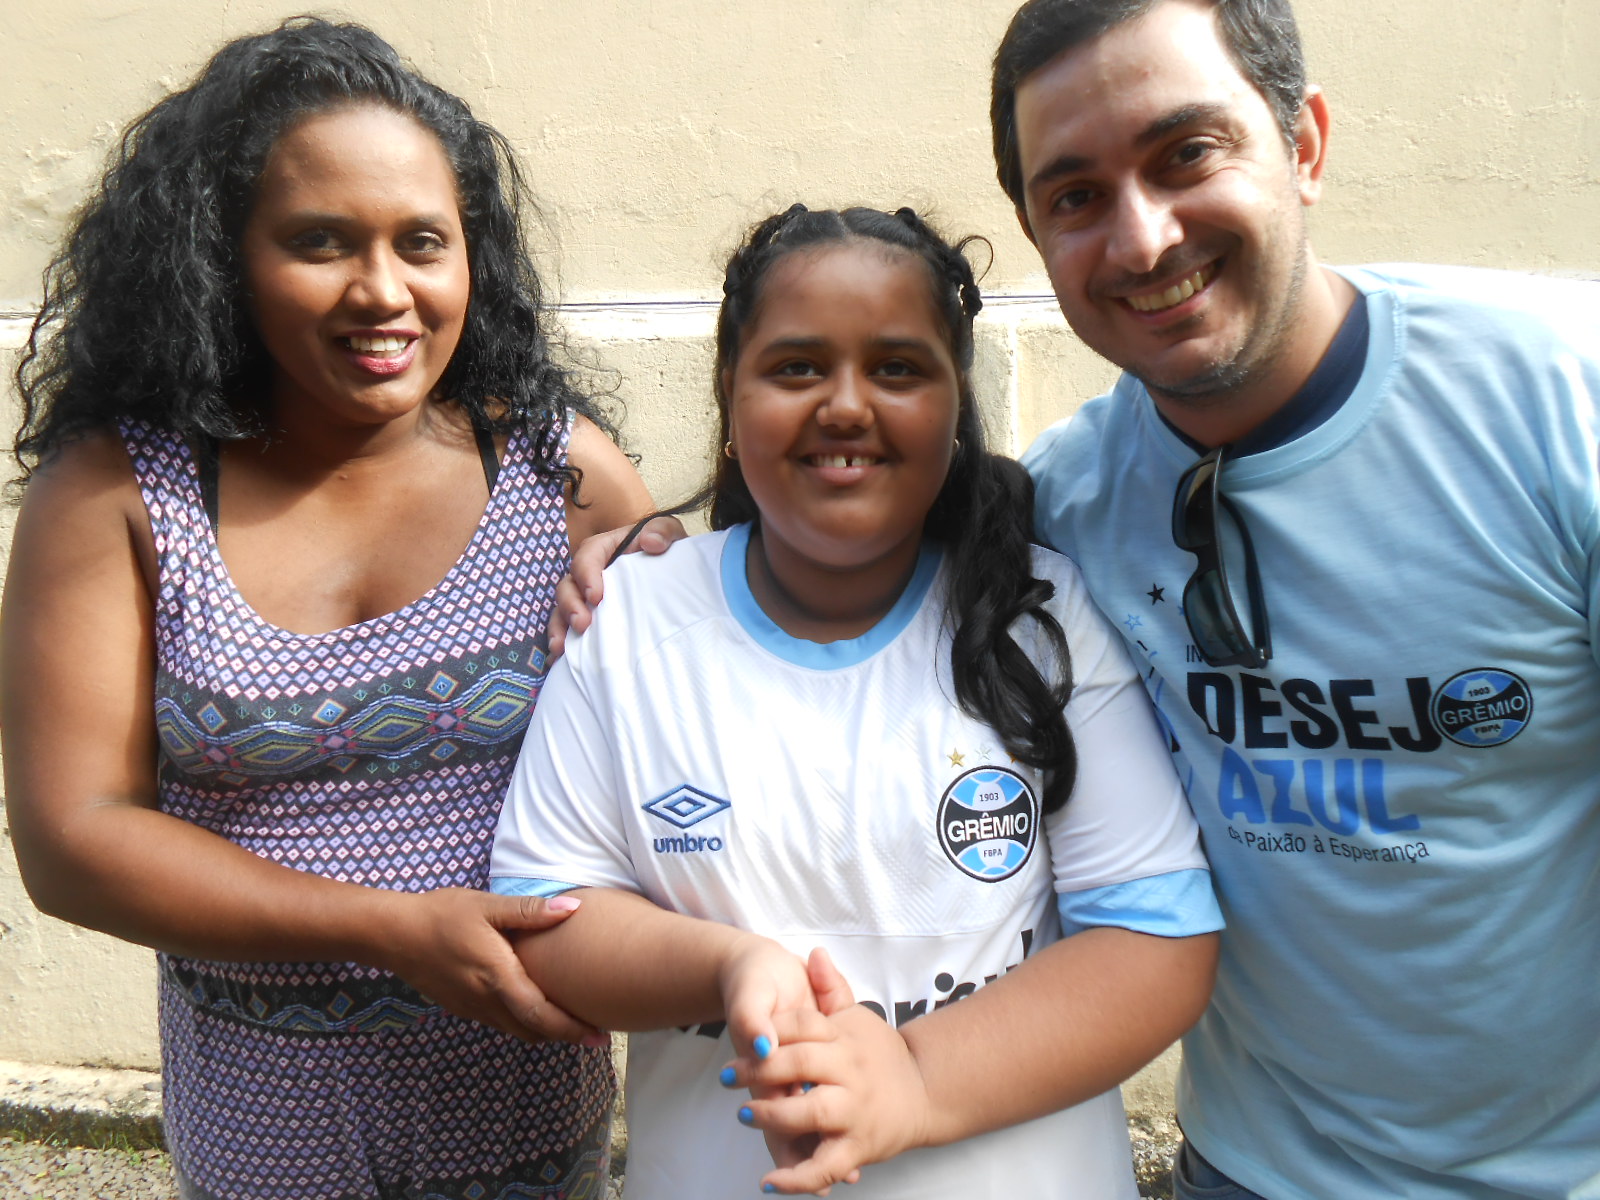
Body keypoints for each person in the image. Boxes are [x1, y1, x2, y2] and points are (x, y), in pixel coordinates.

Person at [559, 2, 1600, 1197]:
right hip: (1251, 1165)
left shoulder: (1559, 416)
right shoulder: (1063, 513)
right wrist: (647, 557)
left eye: (1186, 155)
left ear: (1304, 143)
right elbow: (841, 538)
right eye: (1076, 195)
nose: (1144, 238)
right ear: (1035, 232)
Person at [1, 18, 653, 1200]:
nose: (384, 292)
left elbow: (692, 739)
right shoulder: (124, 493)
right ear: (222, 258)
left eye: (423, 243)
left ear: (474, 258)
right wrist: (387, 925)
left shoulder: (558, 472)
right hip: (266, 1142)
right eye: (318, 243)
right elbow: (74, 839)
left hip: (527, 1123)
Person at [489, 205, 1223, 1198]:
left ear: (954, 402)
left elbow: (1154, 940)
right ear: (729, 393)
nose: (844, 405)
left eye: (896, 368)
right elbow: (548, 915)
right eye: (795, 367)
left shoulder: (1038, 620)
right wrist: (726, 968)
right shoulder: (629, 625)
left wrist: (912, 1082)